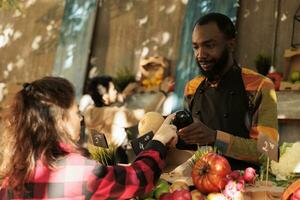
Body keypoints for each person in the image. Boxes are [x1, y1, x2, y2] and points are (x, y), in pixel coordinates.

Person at [0, 76, 178, 199]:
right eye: (76, 112)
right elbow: (138, 178)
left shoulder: (11, 178)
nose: (80, 118)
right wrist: (159, 142)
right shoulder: (76, 172)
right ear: (61, 120)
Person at [178, 13, 279, 170]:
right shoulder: (192, 87)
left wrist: (215, 138)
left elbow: (269, 152)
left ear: (231, 45)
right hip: (199, 183)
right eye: (196, 47)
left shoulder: (260, 85)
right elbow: (187, 149)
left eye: (209, 46)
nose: (200, 55)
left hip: (243, 187)